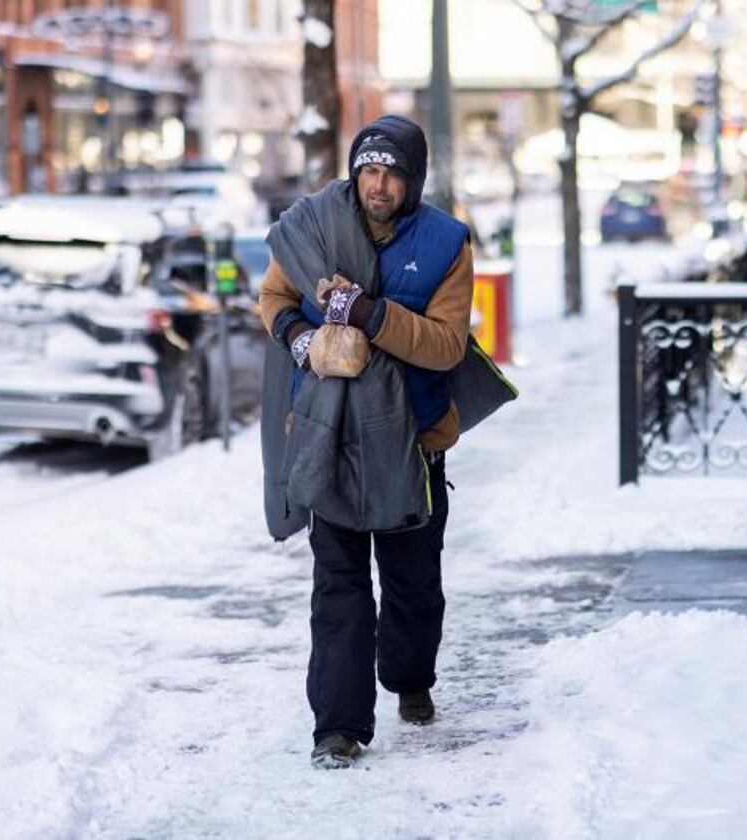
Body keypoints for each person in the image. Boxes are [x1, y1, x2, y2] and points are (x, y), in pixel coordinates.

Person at [258, 115, 475, 770]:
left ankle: (411, 680)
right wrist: (302, 339)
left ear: (412, 181)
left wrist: (371, 316)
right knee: (340, 587)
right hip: (331, 435)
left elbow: (445, 345)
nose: (378, 184)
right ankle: (338, 727)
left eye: (392, 173)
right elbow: (273, 298)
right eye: (369, 170)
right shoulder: (311, 226)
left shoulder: (444, 243)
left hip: (412, 442)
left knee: (412, 587)